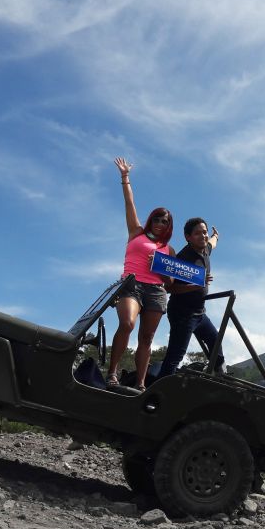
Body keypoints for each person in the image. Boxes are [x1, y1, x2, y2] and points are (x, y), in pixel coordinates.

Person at [108, 157, 174, 391]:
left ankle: (141, 383)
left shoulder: (169, 250)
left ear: (169, 226)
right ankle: (113, 373)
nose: (159, 223)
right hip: (132, 285)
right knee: (127, 323)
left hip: (156, 292)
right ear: (150, 220)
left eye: (164, 221)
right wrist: (125, 177)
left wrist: (161, 268)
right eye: (156, 218)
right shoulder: (137, 233)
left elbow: (171, 281)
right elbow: (129, 203)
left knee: (146, 339)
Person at [157, 217, 224, 378]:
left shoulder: (206, 248)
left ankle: (219, 375)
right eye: (197, 233)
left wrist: (216, 235)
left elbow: (212, 242)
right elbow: (169, 288)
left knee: (216, 342)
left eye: (205, 232)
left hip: (200, 312)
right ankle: (159, 391)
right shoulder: (182, 259)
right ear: (188, 237)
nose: (203, 236)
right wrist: (195, 285)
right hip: (183, 314)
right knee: (175, 356)